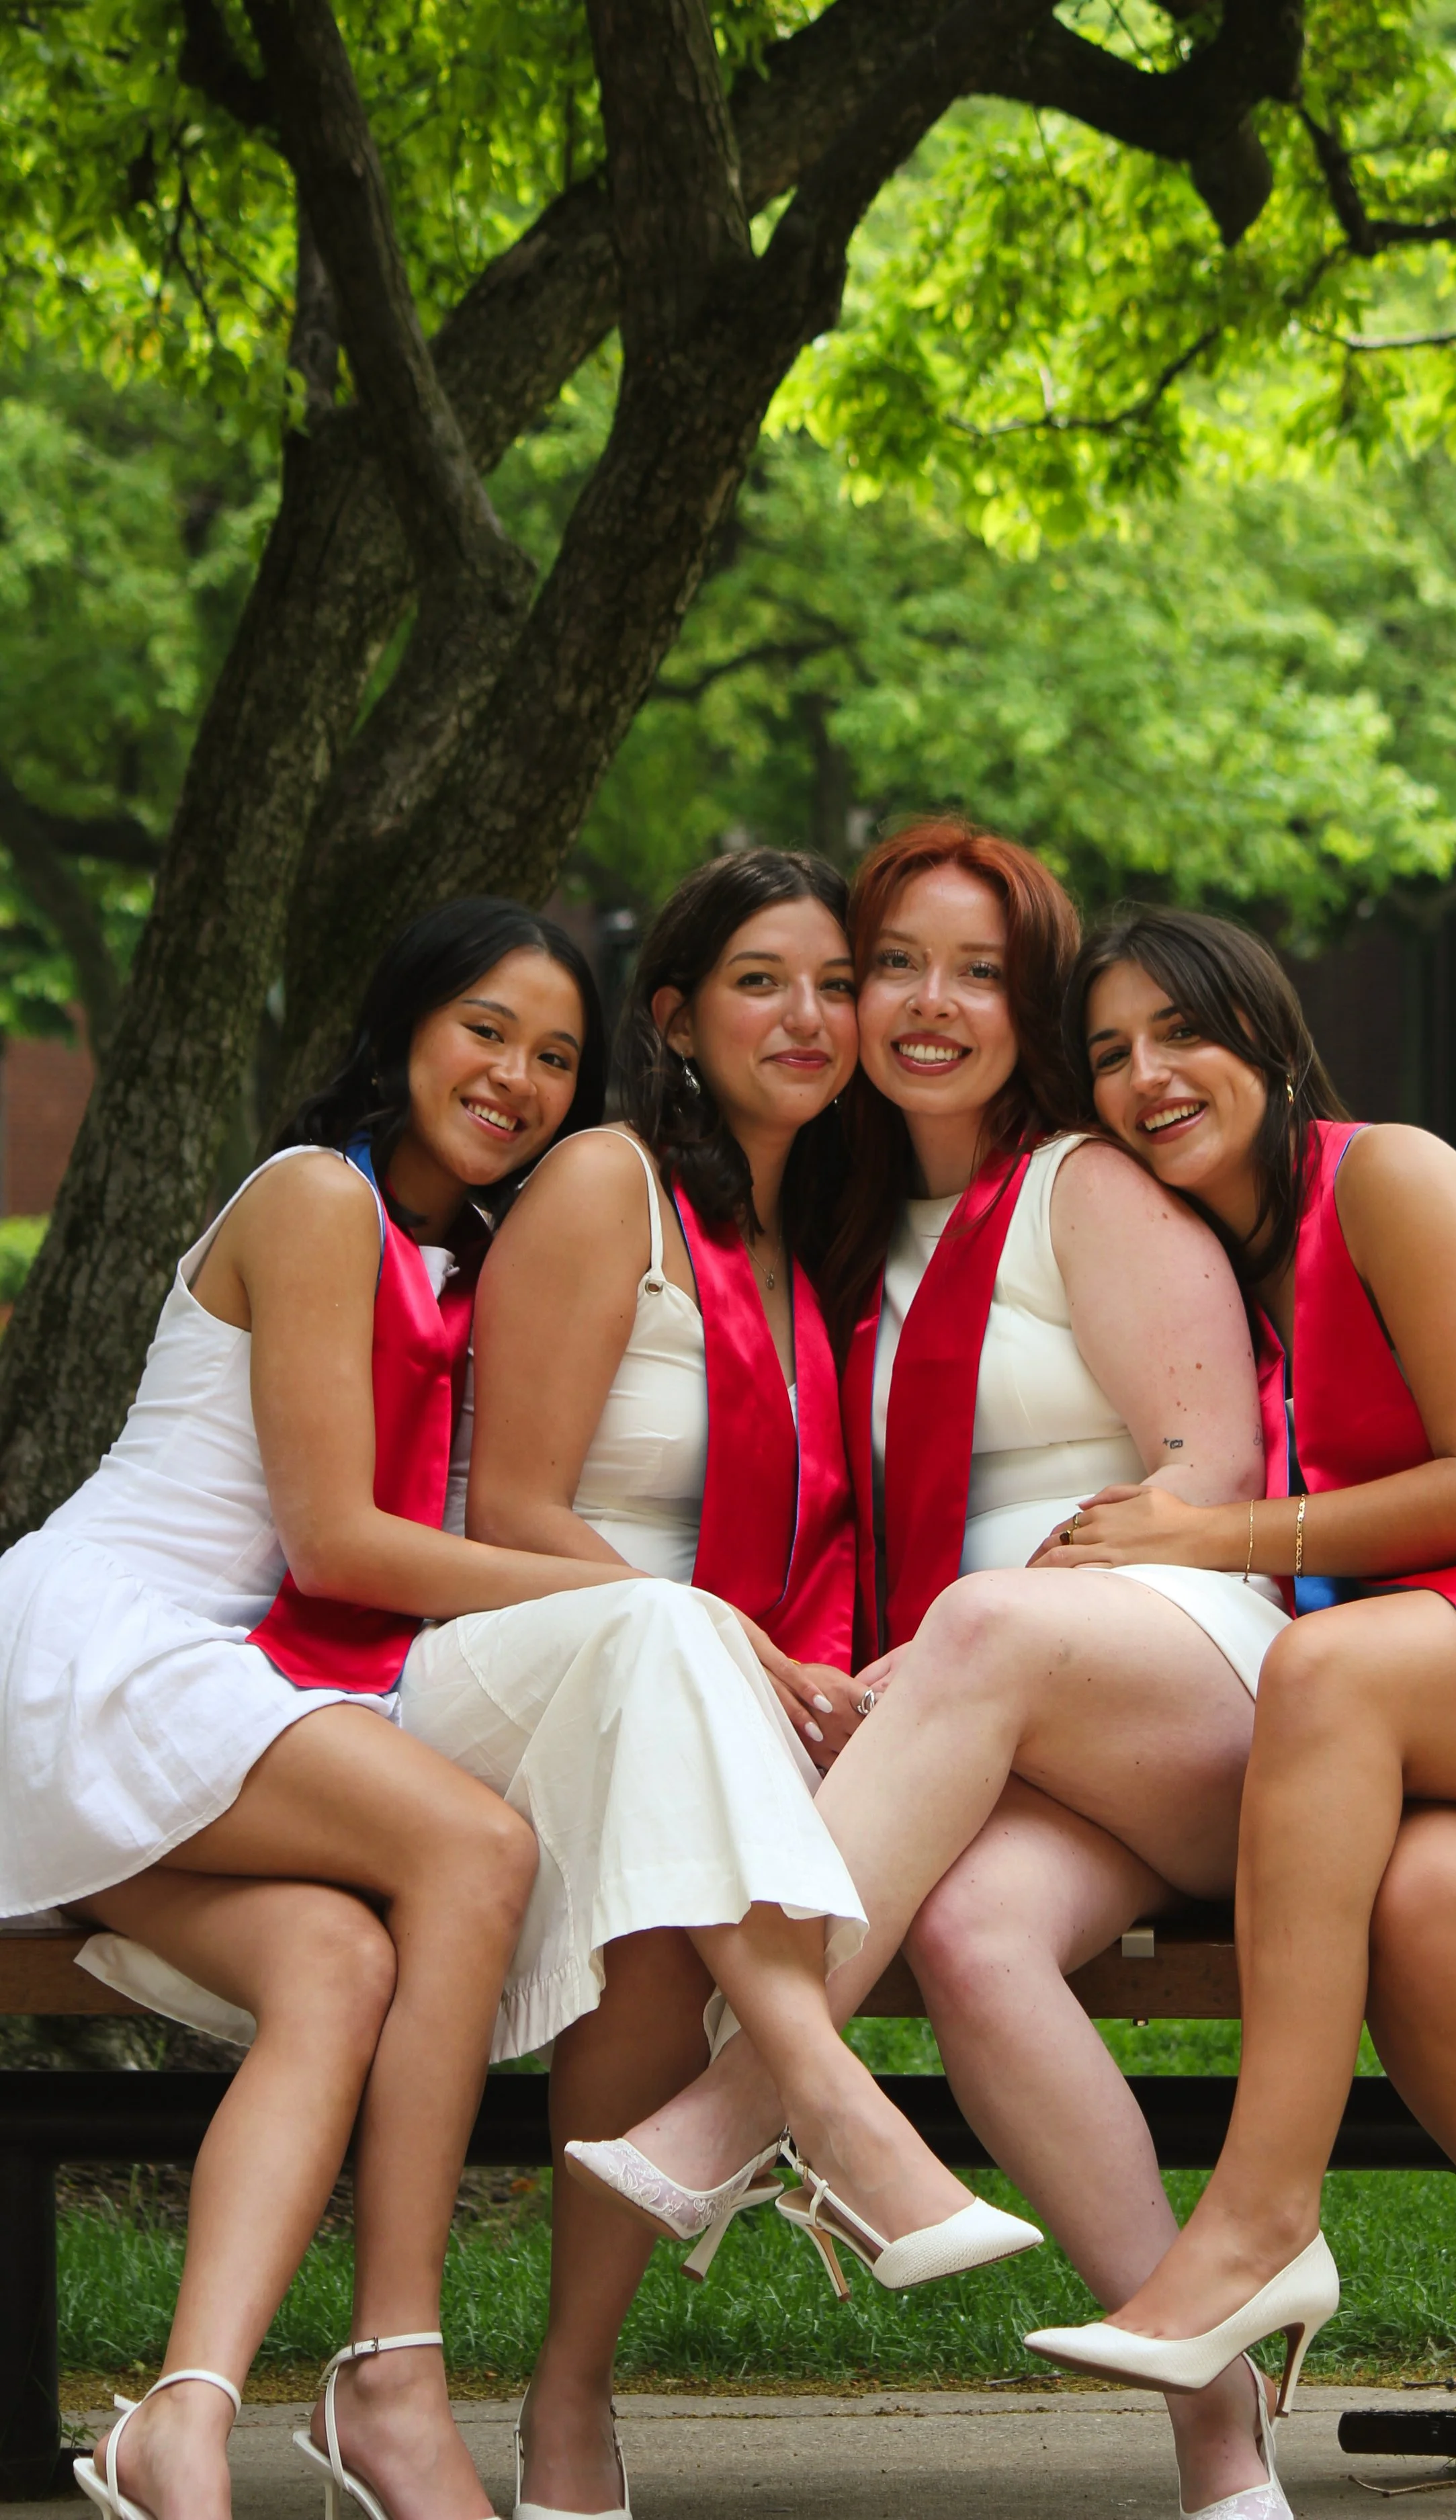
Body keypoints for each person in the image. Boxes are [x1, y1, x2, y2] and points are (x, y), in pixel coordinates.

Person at [583, 825, 1299, 2519]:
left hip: (1186, 1680)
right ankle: (1221, 2442)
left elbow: (1209, 1471)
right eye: (892, 964)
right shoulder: (838, 1230)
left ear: (1028, 1005)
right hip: (999, 1739)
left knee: (979, 1627)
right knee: (975, 1942)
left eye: (979, 973)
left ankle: (741, 2106)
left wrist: (983, 1627)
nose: (927, 1004)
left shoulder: (1081, 1185)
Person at [1018, 905, 1456, 2520]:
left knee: (1324, 1673)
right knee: (1426, 1918)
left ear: (1265, 1035)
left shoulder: (1389, 1177)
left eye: (1181, 1031)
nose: (1147, 1075)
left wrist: (1205, 1537)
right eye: (1107, 1054)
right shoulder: (1214, 1279)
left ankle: (1257, 2219)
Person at [400, 849, 1039, 2520]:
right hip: (514, 1656)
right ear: (676, 1019)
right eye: (762, 982)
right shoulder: (605, 1182)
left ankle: (568, 2400)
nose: (810, 1016)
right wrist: (722, 1640)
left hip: (681, 1710)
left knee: (658, 1924)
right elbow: (511, 1508)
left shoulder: (803, 1241)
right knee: (672, 1660)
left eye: (834, 982)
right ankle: (826, 2102)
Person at [0, 898, 619, 2520]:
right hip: (114, 1652)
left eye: (557, 1057)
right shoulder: (312, 1198)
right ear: (404, 1025)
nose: (516, 1078)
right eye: (486, 1030)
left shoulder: (473, 1261)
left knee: (338, 1965)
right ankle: (394, 2379)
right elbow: (337, 1542)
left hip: (214, 1703)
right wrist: (646, 1607)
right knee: (473, 1850)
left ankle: (180, 2419)